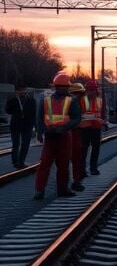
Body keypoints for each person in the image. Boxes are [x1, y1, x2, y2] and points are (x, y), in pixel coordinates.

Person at [33, 72, 82, 200]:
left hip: (63, 136)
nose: (61, 89)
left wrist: (63, 128)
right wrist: (41, 131)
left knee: (63, 164)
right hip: (50, 136)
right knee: (45, 164)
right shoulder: (46, 101)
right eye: (59, 86)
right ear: (55, 87)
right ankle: (40, 190)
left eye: (63, 86)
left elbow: (77, 118)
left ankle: (62, 189)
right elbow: (39, 118)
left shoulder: (71, 102)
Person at [77, 81, 106, 176]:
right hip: (85, 128)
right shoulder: (81, 100)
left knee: (95, 149)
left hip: (96, 128)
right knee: (83, 150)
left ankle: (93, 168)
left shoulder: (99, 101)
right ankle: (82, 170)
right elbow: (79, 115)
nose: (92, 92)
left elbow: (101, 114)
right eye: (90, 90)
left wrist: (103, 122)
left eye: (94, 90)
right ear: (86, 90)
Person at [5, 84, 37, 169]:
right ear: (16, 91)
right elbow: (7, 111)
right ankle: (15, 162)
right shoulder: (12, 100)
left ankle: (21, 162)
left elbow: (34, 114)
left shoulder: (32, 101)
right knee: (16, 145)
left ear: (26, 90)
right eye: (20, 90)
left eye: (24, 90)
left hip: (27, 126)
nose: (22, 92)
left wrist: (35, 126)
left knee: (25, 145)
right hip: (15, 125)